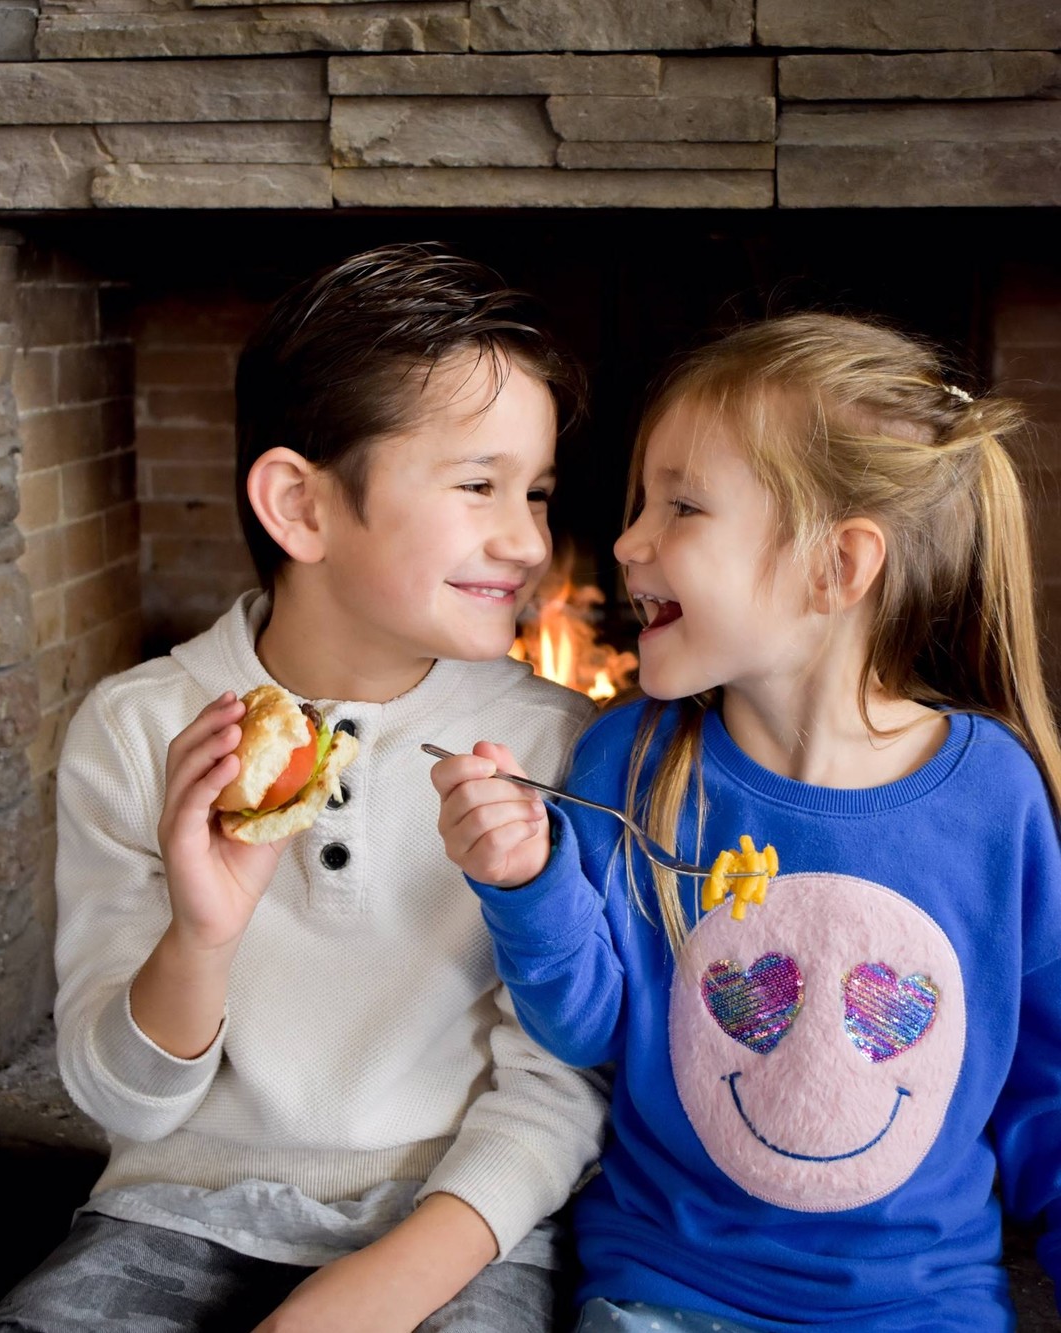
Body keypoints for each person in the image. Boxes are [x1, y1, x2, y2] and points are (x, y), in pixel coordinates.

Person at [0, 243, 607, 1333]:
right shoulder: (136, 733)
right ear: (301, 508)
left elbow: (562, 1085)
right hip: (173, 1212)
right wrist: (201, 936)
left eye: (539, 492)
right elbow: (119, 1099)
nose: (528, 541)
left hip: (455, 1219)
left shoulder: (556, 744)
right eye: (478, 486)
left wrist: (377, 1290)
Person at [431, 312, 1061, 1332]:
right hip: (665, 1290)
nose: (629, 540)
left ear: (838, 569)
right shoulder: (627, 760)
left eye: (681, 506)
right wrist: (525, 880)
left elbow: (1048, 1092)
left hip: (920, 1305)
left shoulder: (995, 797)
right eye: (642, 502)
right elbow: (591, 1026)